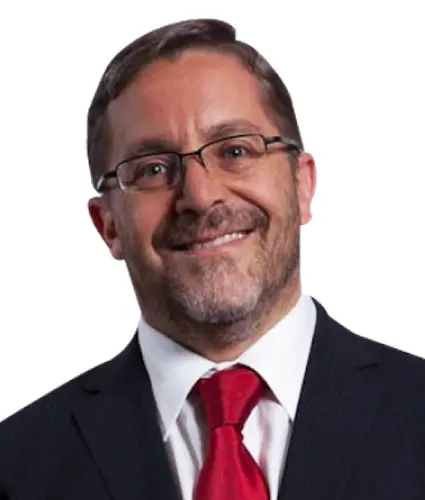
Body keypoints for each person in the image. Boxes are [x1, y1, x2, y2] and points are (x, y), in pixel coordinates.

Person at [1, 17, 425, 500]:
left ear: (302, 184)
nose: (200, 197)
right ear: (108, 225)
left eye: (236, 151)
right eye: (153, 169)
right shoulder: (16, 468)